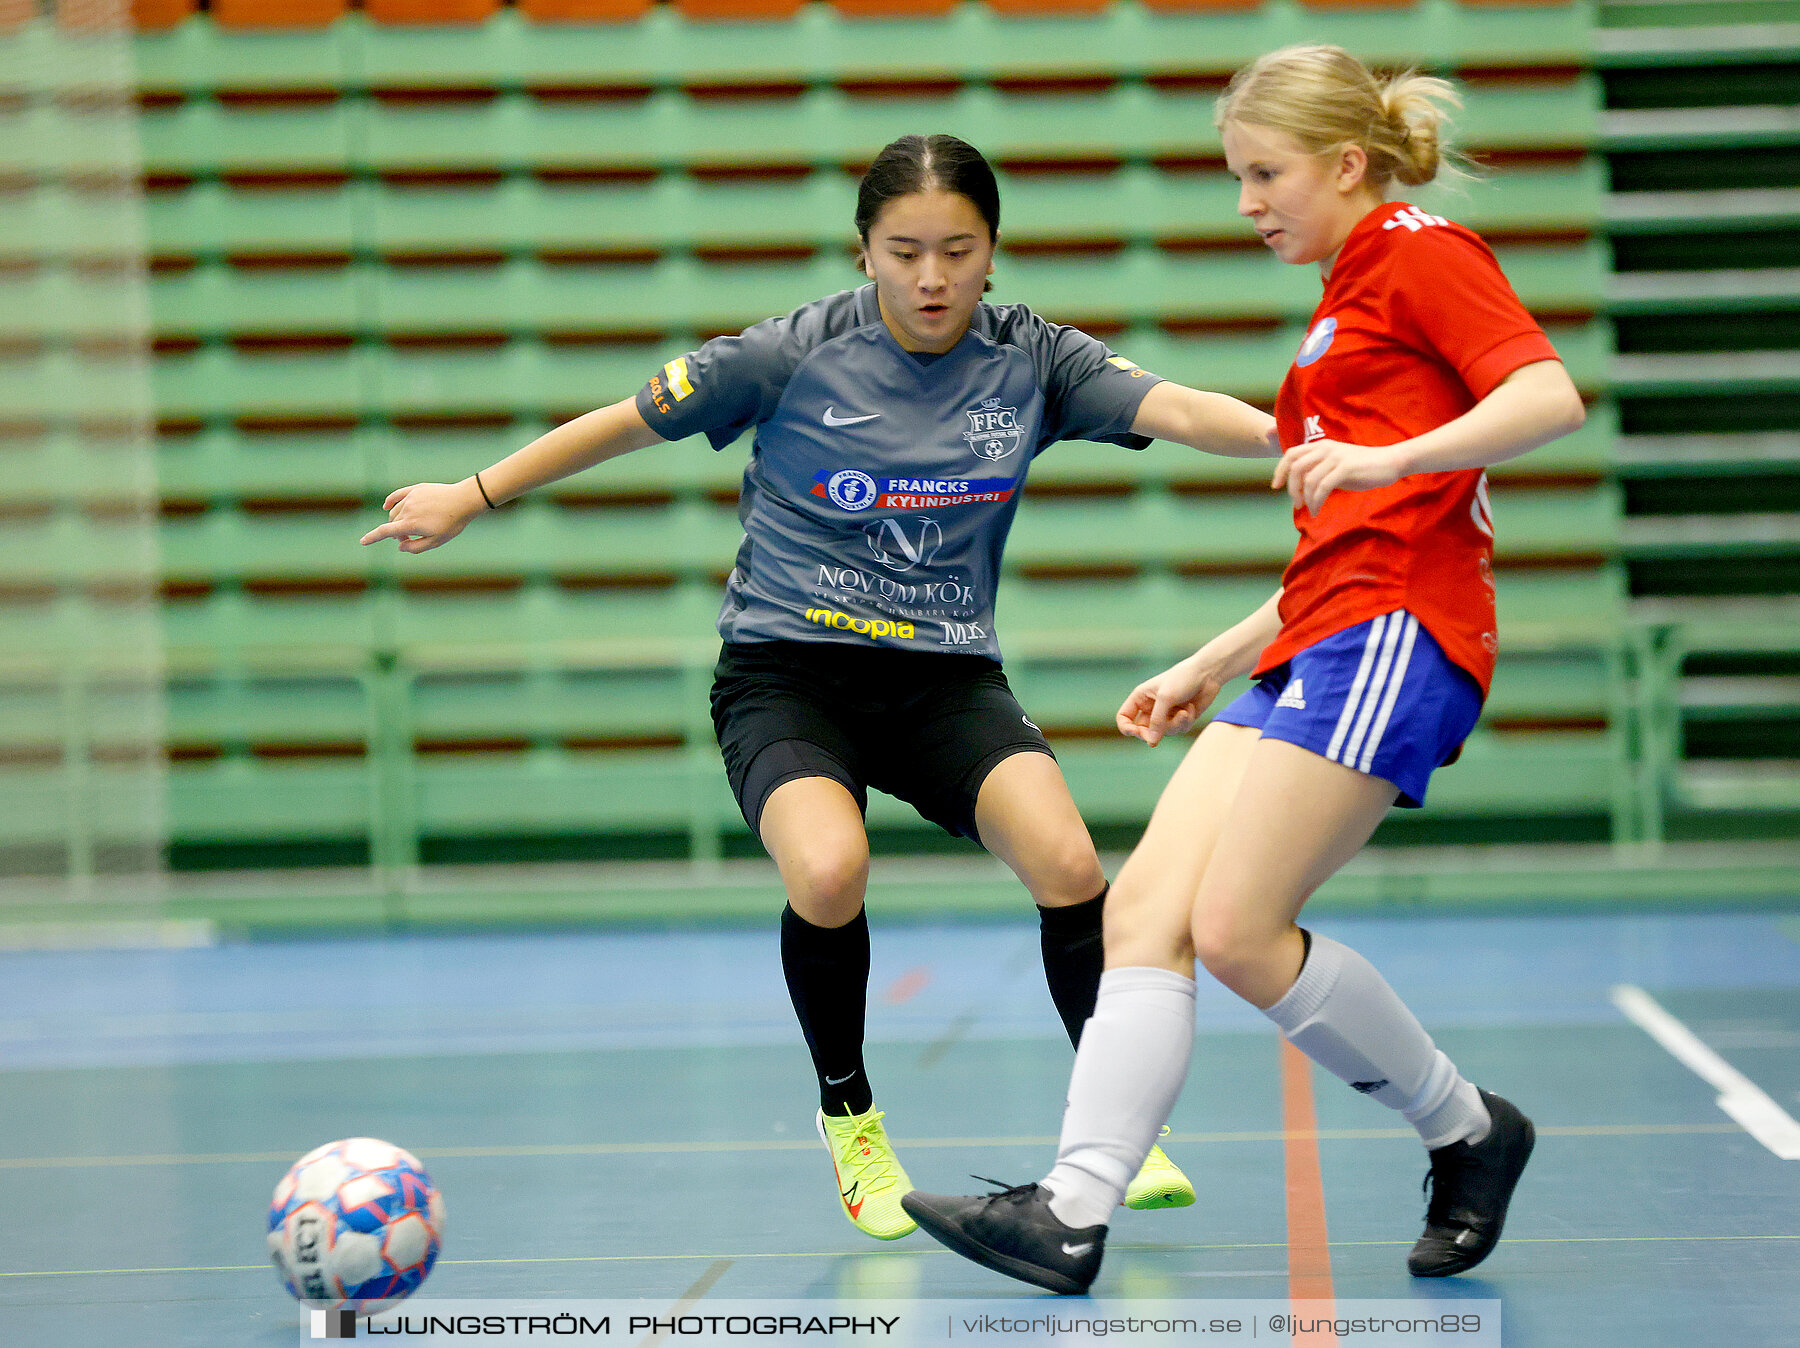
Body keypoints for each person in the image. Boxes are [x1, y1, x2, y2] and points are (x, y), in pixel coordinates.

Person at [360, 134, 1281, 1243]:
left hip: (945, 677)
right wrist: (472, 492)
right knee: (831, 866)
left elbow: (1181, 408)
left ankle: (1110, 1130)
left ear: (993, 253)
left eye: (958, 250)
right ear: (865, 253)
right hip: (788, 673)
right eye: (905, 252)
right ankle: (849, 1115)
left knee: (1072, 861)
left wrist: (1312, 443)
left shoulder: (1031, 359)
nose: (932, 278)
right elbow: (624, 421)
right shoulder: (788, 355)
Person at [901, 47, 1587, 1292]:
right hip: (1320, 628)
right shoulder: (1343, 297)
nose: (1247, 201)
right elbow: (1338, 532)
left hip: (1399, 632)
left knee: (1236, 929)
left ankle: (1470, 1129)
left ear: (1344, 162)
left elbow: (1548, 396)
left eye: (1265, 173)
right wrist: (1216, 658)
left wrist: (1392, 460)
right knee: (1143, 914)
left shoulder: (1424, 250)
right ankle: (1070, 1209)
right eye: (1236, 176)